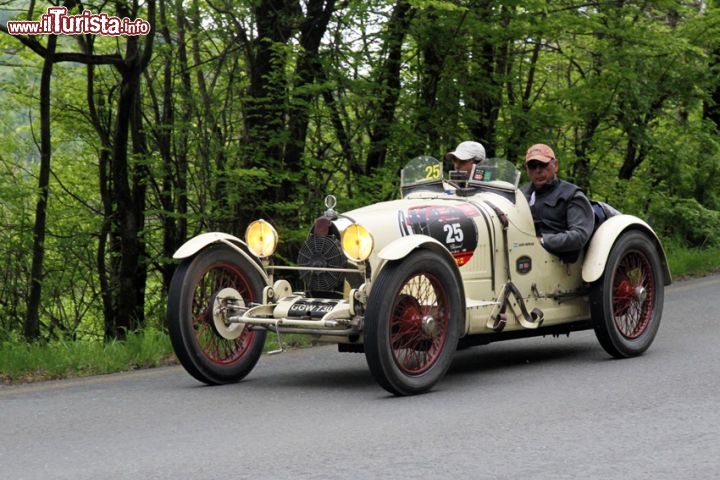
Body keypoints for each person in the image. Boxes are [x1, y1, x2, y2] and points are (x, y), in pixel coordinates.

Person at [522, 143, 594, 263]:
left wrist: (542, 241)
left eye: (543, 165)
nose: (538, 170)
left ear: (555, 165)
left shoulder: (572, 194)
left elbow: (579, 235)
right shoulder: (521, 194)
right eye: (532, 166)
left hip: (559, 262)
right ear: (527, 170)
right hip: (524, 257)